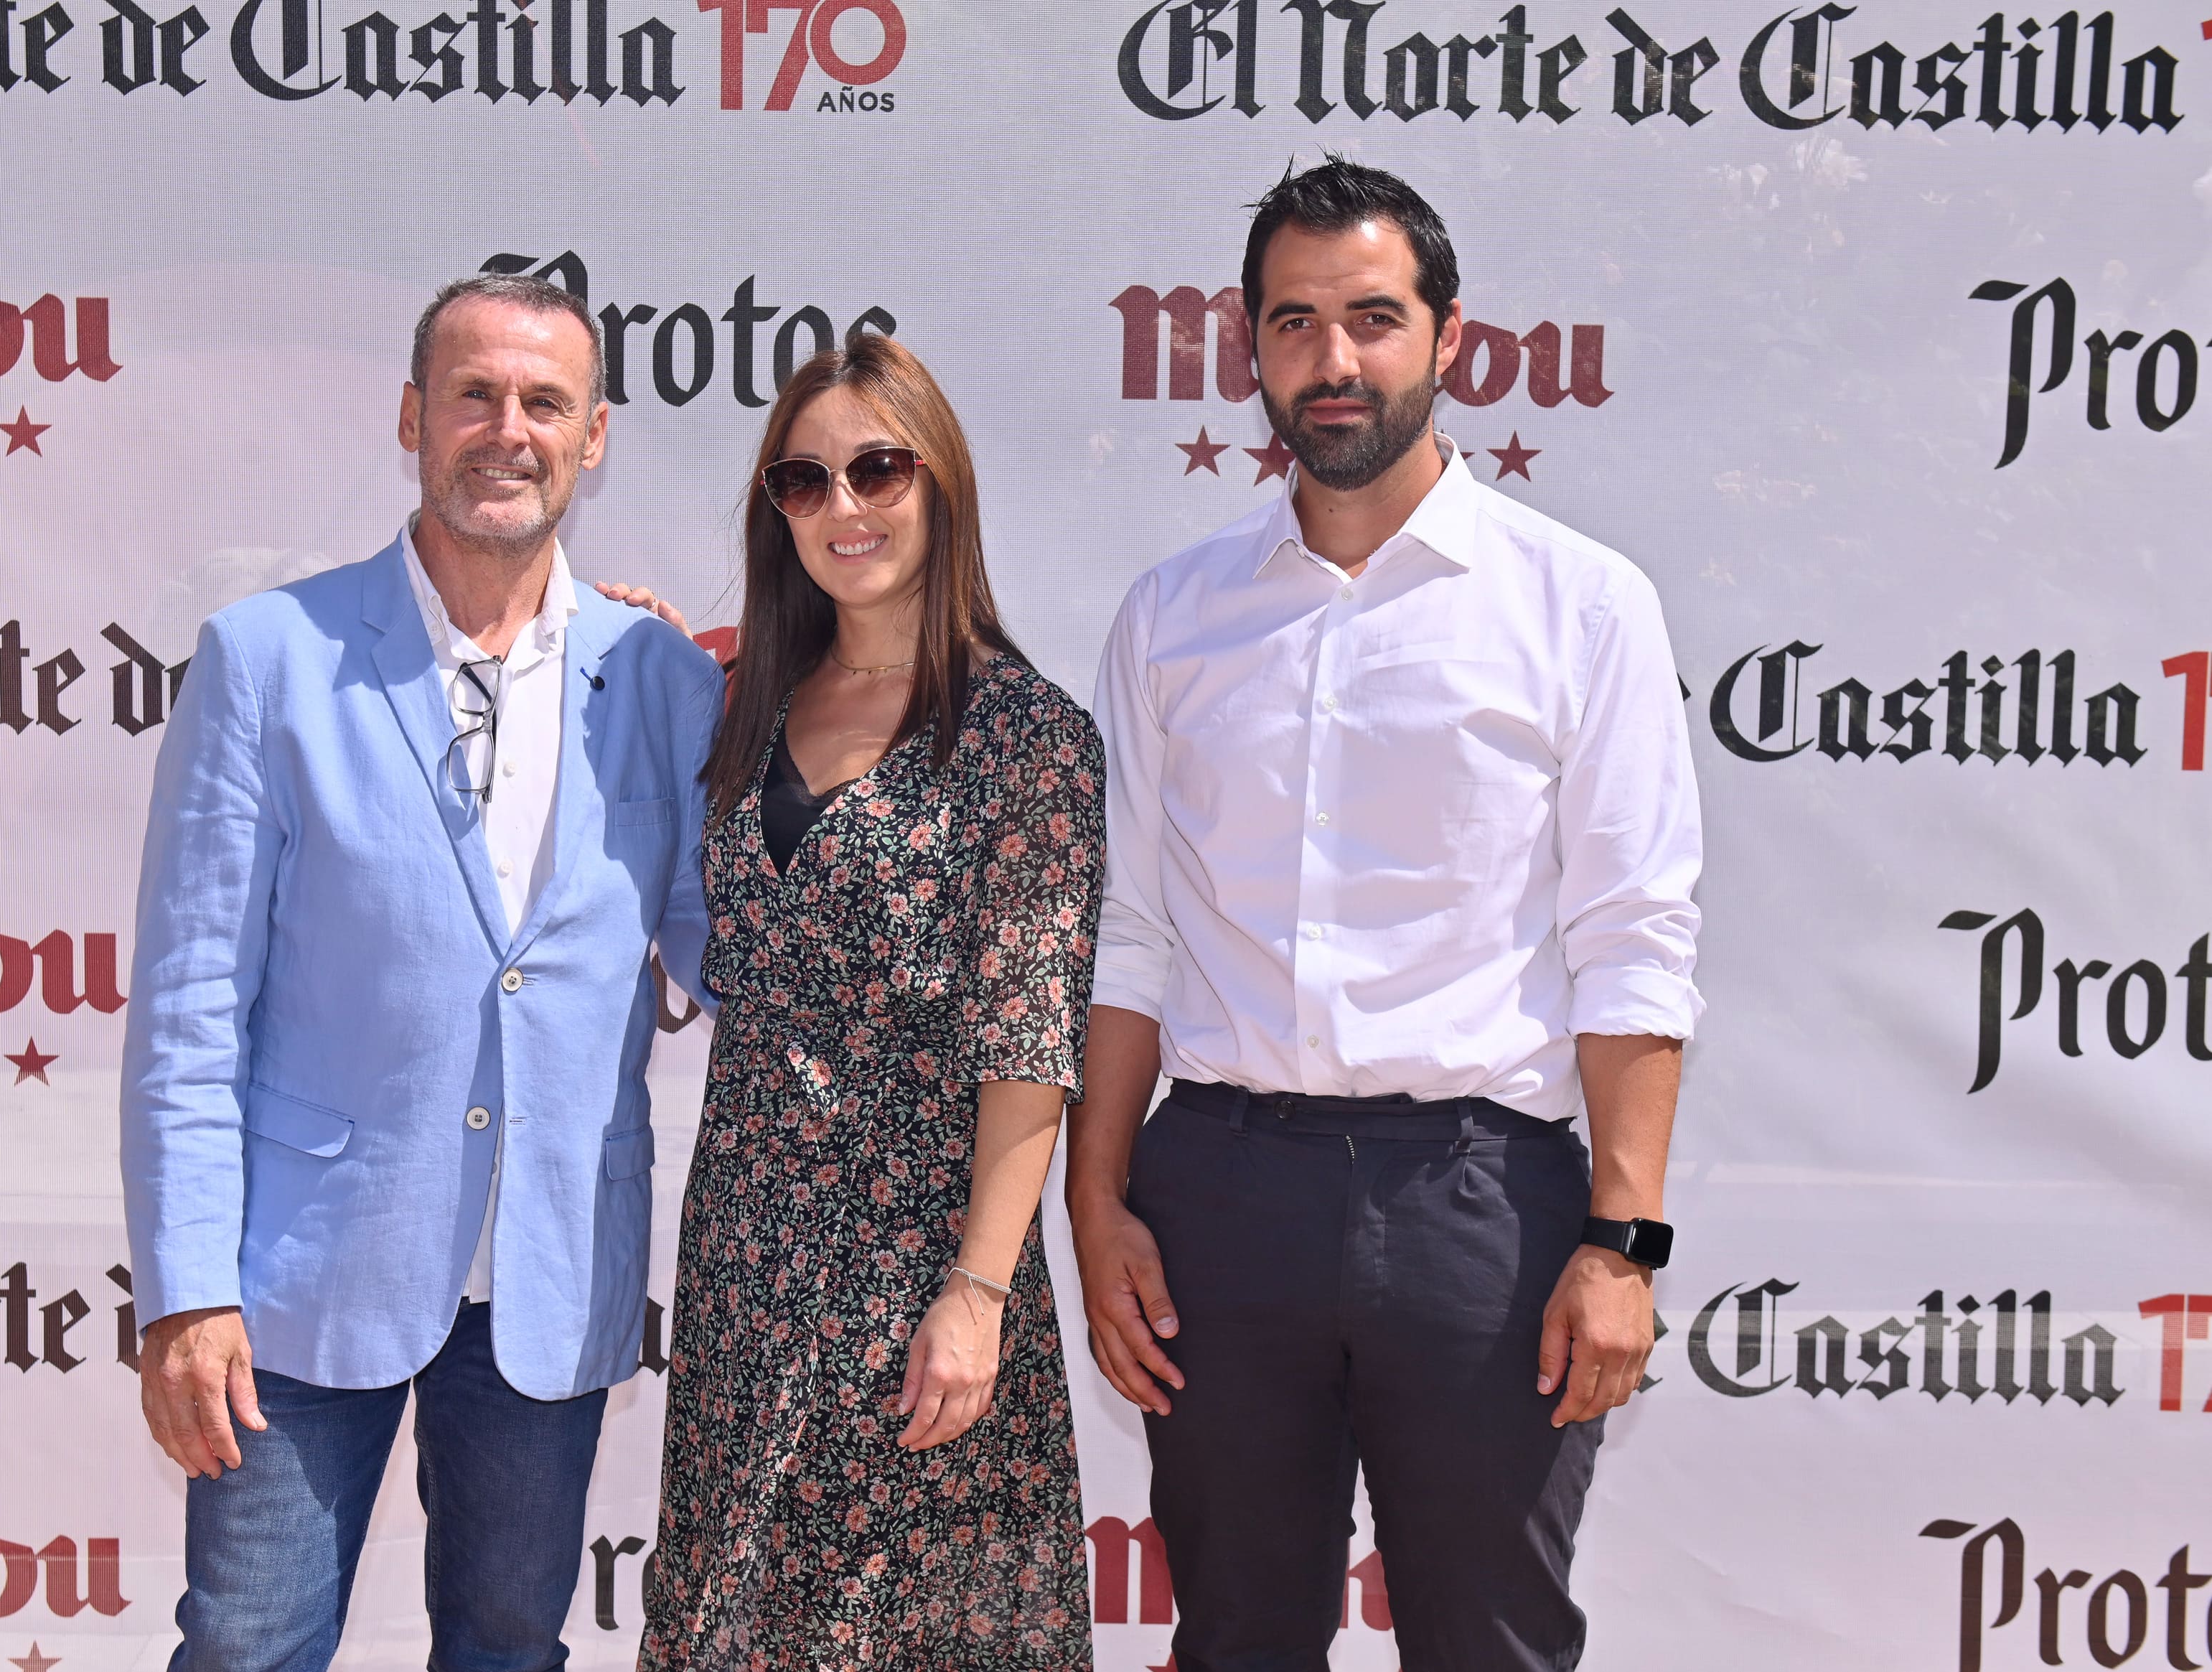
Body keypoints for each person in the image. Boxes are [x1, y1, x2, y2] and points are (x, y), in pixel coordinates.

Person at [1069, 159, 1704, 1671]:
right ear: (1250, 352)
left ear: (1450, 337)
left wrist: (1624, 1239)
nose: (1332, 361)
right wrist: (1095, 1211)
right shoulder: (1172, 614)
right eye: (1294, 324)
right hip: (1216, 1201)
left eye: (1371, 318)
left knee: (1491, 1643)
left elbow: (1632, 935)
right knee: (1235, 1640)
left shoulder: (1581, 605)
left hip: (1483, 1213)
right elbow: (1128, 933)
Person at [118, 273, 724, 1672]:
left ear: (594, 439)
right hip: (296, 1274)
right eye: (474, 395)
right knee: (249, 1646)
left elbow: (734, 952)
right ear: (413, 417)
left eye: (543, 404)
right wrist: (186, 1287)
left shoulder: (660, 680)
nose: (505, 430)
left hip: (550, 1268)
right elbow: (190, 1007)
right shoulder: (268, 658)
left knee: (509, 1647)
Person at [634, 332, 1102, 1670]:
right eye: (804, 480)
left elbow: (1030, 1041)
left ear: (939, 483)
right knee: (734, 1626)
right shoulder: (744, 713)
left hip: (918, 1272)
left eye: (878, 469)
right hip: (745, 1263)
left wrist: (977, 1293)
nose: (844, 507)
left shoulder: (1026, 735)